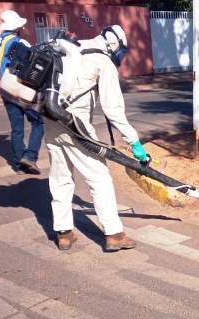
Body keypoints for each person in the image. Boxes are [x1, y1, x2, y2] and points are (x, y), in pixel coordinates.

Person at [45, 25, 150, 252]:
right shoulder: (102, 61)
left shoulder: (72, 47)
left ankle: (63, 233)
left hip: (51, 121)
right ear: (115, 45)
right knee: (99, 177)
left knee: (60, 178)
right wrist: (134, 143)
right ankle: (114, 234)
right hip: (77, 126)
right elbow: (113, 110)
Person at [0, 10, 44, 174]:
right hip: (22, 87)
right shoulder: (22, 43)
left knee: (17, 127)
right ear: (17, 27)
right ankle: (30, 156)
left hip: (4, 86)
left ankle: (19, 165)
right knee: (38, 122)